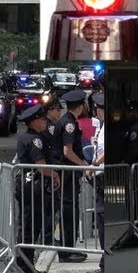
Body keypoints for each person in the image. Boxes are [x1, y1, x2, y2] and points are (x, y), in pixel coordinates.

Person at [14, 104, 57, 273]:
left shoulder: (28, 137)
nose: (44, 122)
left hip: (27, 186)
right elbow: (40, 165)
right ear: (34, 122)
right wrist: (54, 174)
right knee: (30, 229)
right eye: (42, 119)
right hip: (33, 187)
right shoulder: (34, 140)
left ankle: (25, 266)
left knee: (28, 227)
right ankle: (25, 269)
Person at [50, 89, 91, 262]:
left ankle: (68, 248)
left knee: (69, 209)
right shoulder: (69, 124)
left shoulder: (65, 120)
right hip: (67, 173)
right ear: (81, 106)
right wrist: (83, 165)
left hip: (66, 172)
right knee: (69, 210)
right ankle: (67, 251)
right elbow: (68, 151)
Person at [87, 107, 105, 273]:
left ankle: (105, 264)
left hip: (104, 176)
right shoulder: (102, 127)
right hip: (101, 177)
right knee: (101, 219)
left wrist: (94, 165)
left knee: (102, 219)